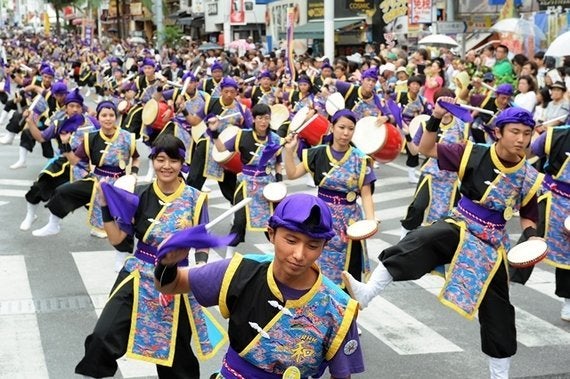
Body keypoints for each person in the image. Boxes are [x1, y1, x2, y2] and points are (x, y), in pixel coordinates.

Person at [343, 104, 543, 378]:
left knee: (499, 312)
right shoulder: (472, 152)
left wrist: (532, 237)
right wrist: (435, 117)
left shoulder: (530, 177)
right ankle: (367, 293)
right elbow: (426, 149)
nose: (521, 139)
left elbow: (529, 217)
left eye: (527, 133)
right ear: (498, 132)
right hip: (460, 223)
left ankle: (500, 375)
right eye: (515, 132)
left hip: (492, 243)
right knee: (423, 238)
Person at [154, 193, 365, 379]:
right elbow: (171, 285)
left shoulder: (338, 308)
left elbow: (341, 375)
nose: (299, 255)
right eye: (291, 240)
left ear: (324, 246)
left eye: (312, 246)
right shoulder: (241, 271)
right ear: (271, 234)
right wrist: (168, 263)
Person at [76, 133, 225, 379]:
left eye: (174, 160)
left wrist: (199, 269)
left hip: (175, 277)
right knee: (103, 337)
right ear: (153, 160)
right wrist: (104, 207)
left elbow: (201, 244)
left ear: (181, 164)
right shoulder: (139, 194)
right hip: (138, 273)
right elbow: (119, 241)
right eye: (161, 159)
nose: (167, 166)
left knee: (176, 358)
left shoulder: (195, 199)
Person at [284, 109, 376, 286]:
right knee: (316, 266)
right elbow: (292, 173)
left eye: (350, 128)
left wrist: (370, 222)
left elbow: (366, 194)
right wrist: (289, 152)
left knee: (350, 271)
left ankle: (346, 309)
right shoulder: (317, 153)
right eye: (341, 127)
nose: (345, 132)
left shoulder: (361, 159)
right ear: (332, 127)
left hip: (350, 221)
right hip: (322, 218)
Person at [31, 100, 140, 237]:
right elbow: (75, 160)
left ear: (116, 117)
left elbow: (136, 158)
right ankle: (53, 225)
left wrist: (134, 174)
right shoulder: (91, 138)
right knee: (63, 192)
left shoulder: (127, 137)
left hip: (120, 184)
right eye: (104, 115)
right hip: (97, 180)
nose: (108, 119)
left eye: (111, 115)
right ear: (98, 118)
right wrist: (65, 144)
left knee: (127, 227)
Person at [510, 125, 570, 321]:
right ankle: (505, 281)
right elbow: (527, 154)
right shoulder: (555, 134)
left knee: (568, 255)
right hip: (553, 197)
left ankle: (568, 299)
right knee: (532, 237)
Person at [208, 103, 283, 257]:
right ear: (254, 119)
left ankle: (277, 256)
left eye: (267, 118)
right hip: (246, 184)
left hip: (267, 186)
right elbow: (222, 149)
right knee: (240, 221)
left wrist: (279, 181)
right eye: (260, 118)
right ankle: (229, 255)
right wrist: (214, 132)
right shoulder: (243, 136)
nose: (263, 122)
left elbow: (278, 163)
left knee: (269, 222)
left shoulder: (275, 138)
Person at [18, 89, 94, 231]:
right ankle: (31, 215)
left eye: (78, 106)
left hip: (84, 166)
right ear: (66, 108)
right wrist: (31, 122)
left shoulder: (92, 123)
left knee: (93, 197)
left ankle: (99, 227)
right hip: (63, 163)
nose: (75, 109)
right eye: (72, 106)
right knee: (38, 188)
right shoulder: (59, 123)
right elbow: (41, 138)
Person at [399, 88, 468, 239]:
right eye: (442, 103)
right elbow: (415, 150)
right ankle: (405, 234)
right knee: (417, 207)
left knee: (449, 216)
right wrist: (408, 136)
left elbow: (469, 151)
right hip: (430, 175)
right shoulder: (426, 124)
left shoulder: (463, 126)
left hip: (452, 179)